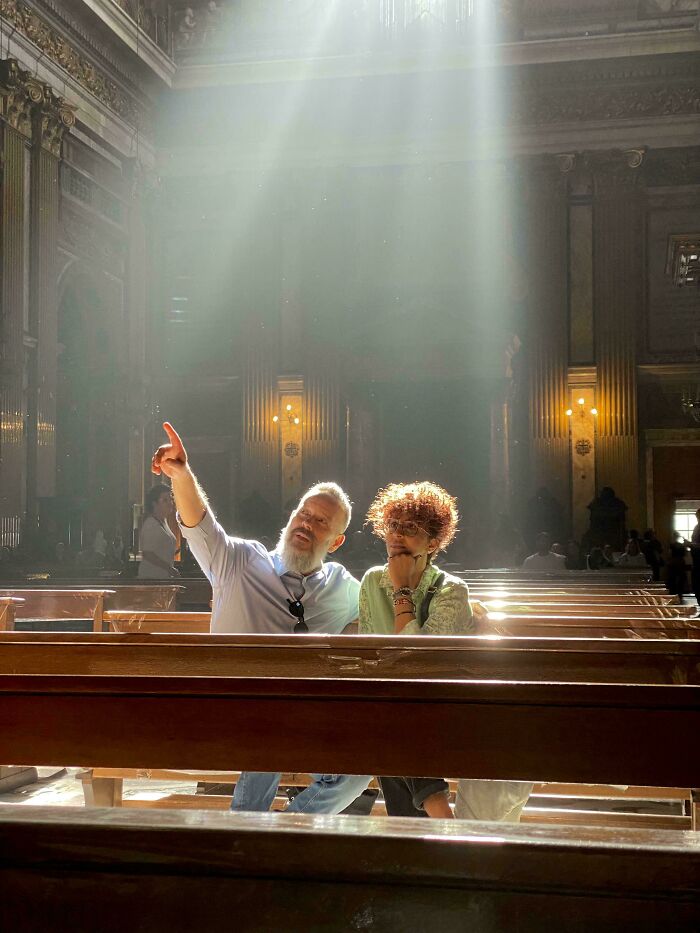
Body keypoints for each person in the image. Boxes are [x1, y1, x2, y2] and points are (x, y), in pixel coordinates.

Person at [151, 421, 370, 813]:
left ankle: (284, 832)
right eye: (304, 513)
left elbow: (385, 609)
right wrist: (181, 473)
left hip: (302, 724)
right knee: (268, 719)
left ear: (336, 541)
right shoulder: (239, 561)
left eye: (321, 522)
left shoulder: (345, 588)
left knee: (359, 768)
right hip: (233, 711)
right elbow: (200, 525)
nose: (307, 523)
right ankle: (253, 834)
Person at [359, 480, 532, 821]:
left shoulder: (452, 590)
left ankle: (424, 824)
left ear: (434, 541)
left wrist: (401, 590)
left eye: (410, 528)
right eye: (392, 526)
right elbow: (374, 658)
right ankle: (433, 814)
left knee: (390, 719)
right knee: (387, 713)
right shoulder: (370, 581)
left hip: (446, 706)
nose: (397, 535)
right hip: (399, 705)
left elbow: (420, 664)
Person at [138, 483, 179, 579]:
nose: (170, 503)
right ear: (154, 503)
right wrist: (169, 568)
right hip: (151, 578)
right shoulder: (150, 524)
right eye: (165, 500)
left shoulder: (163, 521)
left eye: (171, 499)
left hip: (162, 577)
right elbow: (148, 553)